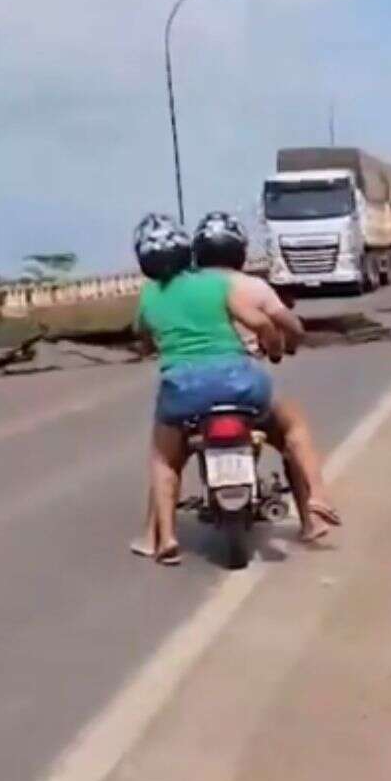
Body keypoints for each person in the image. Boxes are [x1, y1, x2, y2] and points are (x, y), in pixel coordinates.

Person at [130, 212, 341, 563]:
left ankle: (162, 538)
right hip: (240, 383)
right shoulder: (222, 287)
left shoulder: (150, 296)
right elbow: (266, 323)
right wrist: (274, 348)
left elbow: (142, 339)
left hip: (184, 392)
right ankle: (316, 503)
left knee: (164, 457)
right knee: (292, 427)